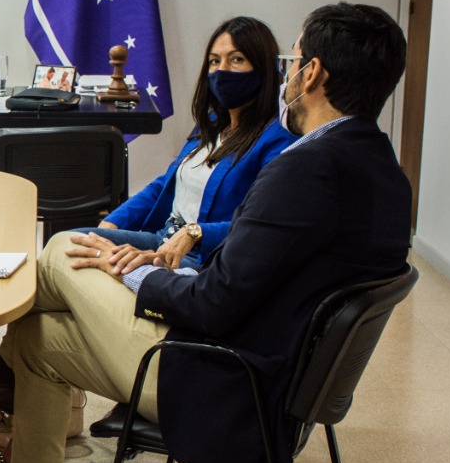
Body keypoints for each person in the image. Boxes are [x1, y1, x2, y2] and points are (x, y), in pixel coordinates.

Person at [0, 2, 410, 463]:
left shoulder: (305, 169)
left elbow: (214, 302)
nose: (287, 70)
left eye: (294, 58)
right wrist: (139, 258)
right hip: (274, 381)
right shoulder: (383, 170)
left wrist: (133, 269)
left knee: (62, 251)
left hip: (220, 383)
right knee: (38, 340)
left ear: (313, 75)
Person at [78, 17, 295, 273]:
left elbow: (259, 224)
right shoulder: (211, 123)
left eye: (236, 59)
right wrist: (111, 225)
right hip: (161, 240)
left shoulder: (279, 138)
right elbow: (166, 183)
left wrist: (195, 233)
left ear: (263, 68)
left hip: (199, 259)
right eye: (215, 61)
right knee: (67, 242)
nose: (221, 70)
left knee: (92, 272)